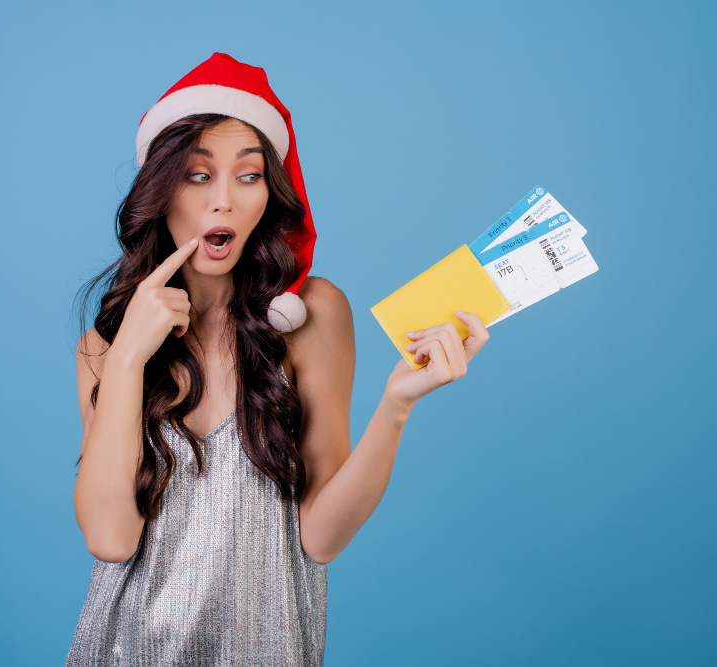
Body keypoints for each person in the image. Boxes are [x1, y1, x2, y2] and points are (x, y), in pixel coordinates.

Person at [64, 53, 490, 667]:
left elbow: (320, 538)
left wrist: (396, 406)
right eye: (198, 175)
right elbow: (110, 538)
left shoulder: (312, 315)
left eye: (249, 175)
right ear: (161, 192)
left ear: (271, 191)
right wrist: (130, 357)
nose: (224, 203)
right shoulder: (104, 347)